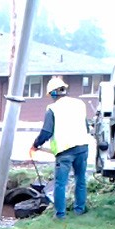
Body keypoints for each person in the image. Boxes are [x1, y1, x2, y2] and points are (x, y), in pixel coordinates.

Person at [30, 77, 90, 220]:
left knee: (60, 184)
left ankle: (60, 214)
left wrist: (35, 145)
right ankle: (79, 210)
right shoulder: (80, 103)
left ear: (54, 93)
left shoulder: (52, 108)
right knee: (80, 180)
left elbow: (46, 132)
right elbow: (86, 126)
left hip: (64, 151)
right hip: (82, 147)